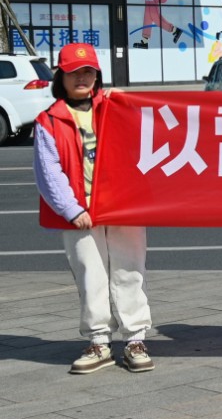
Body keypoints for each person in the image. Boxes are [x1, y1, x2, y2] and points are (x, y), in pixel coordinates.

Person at [34, 43, 154, 373]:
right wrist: (72, 210)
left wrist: (129, 103)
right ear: (61, 77)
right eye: (73, 72)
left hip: (123, 207)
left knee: (130, 270)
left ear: (98, 76)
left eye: (88, 71)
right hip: (80, 212)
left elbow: (145, 144)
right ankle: (99, 341)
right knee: (91, 276)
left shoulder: (116, 108)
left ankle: (135, 339)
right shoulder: (49, 120)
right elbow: (48, 171)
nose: (82, 78)